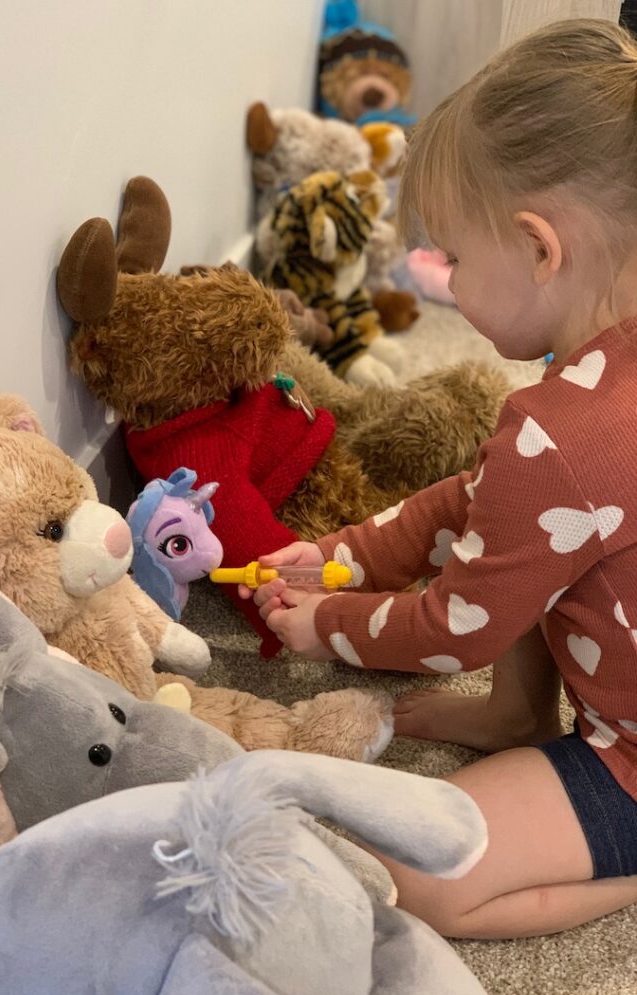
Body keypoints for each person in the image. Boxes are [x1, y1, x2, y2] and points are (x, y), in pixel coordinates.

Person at [242, 19, 637, 940]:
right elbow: (482, 503)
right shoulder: (579, 411)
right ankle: (519, 712)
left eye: (453, 258)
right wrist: (345, 555)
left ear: (542, 250)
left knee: (417, 876)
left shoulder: (566, 437)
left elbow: (454, 626)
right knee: (528, 550)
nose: (445, 285)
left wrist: (325, 626)